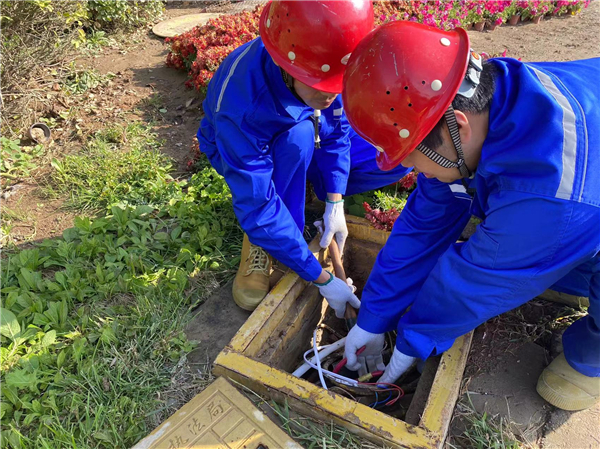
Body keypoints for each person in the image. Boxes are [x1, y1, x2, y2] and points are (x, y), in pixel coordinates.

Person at [342, 20, 599, 411]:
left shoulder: (552, 194)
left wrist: (413, 340)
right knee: (543, 249)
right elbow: (425, 224)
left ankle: (591, 356)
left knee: (541, 250)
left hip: (578, 204)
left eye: (414, 162)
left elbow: (477, 278)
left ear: (455, 127)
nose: (417, 173)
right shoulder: (487, 100)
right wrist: (374, 317)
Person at [197, 1, 411, 312]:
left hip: (305, 127)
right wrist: (321, 278)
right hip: (252, 149)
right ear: (288, 69)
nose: (332, 95)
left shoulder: (323, 70)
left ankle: (308, 195)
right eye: (324, 88)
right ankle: (269, 237)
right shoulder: (242, 105)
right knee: (296, 141)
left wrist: (335, 202)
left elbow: (337, 134)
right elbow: (255, 202)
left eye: (338, 86)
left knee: (391, 154)